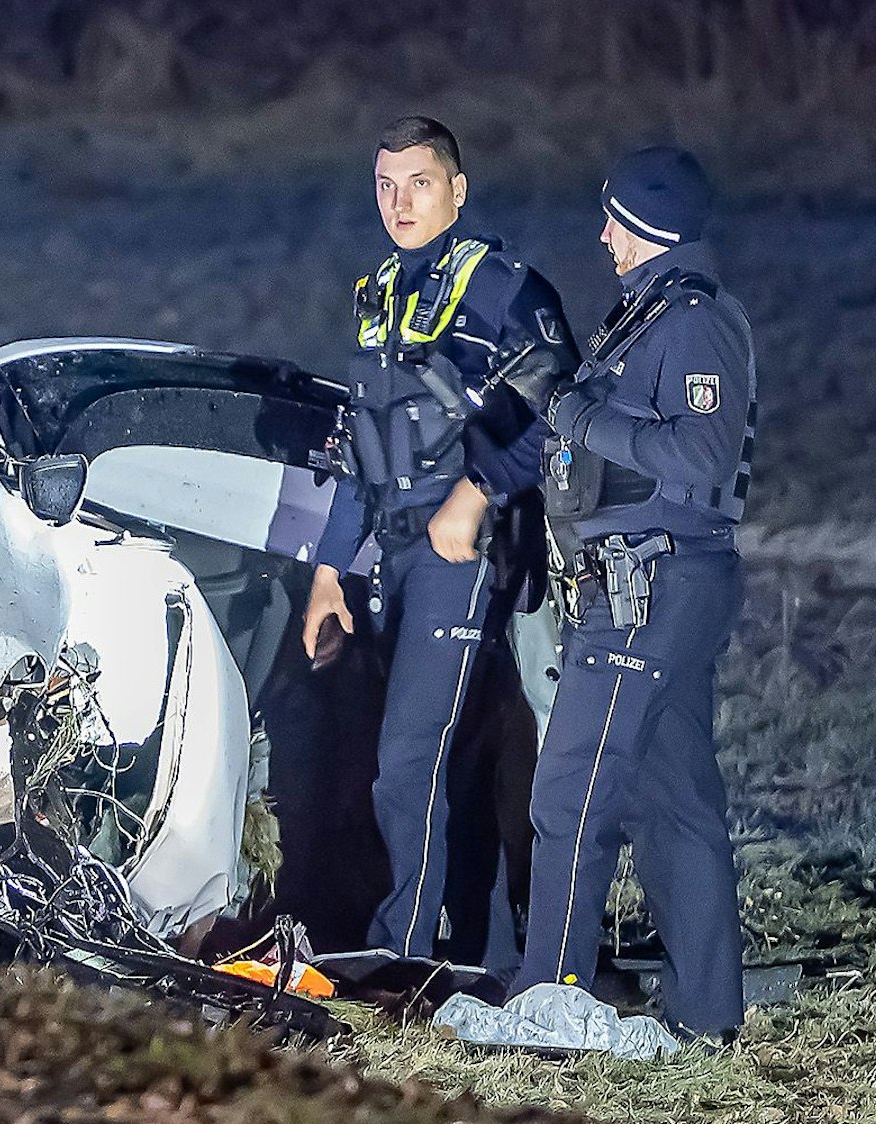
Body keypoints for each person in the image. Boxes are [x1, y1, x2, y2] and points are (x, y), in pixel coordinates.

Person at [304, 116, 579, 964]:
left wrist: (476, 491)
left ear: (457, 190)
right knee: (447, 763)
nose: (400, 203)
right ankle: (484, 954)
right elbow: (364, 448)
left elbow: (564, 411)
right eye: (385, 186)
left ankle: (401, 958)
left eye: (419, 184)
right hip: (394, 558)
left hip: (463, 558)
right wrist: (327, 572)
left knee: (408, 758)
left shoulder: (499, 289)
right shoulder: (381, 293)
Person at [512, 146, 756, 1041]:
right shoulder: (648, 313)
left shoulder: (693, 320)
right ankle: (708, 1016)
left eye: (614, 219)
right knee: (671, 799)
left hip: (651, 584)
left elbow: (701, 452)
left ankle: (550, 1001)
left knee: (571, 793)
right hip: (648, 582)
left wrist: (575, 412)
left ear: (649, 226)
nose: (602, 234)